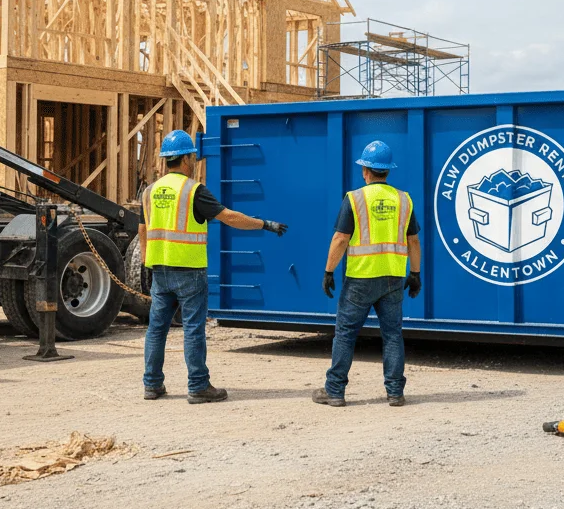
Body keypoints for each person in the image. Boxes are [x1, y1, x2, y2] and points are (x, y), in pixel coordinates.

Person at [138, 129, 288, 404]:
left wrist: (146, 263)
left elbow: (142, 229)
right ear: (185, 159)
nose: (194, 162)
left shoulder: (150, 191)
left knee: (156, 329)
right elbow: (229, 217)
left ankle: (152, 384)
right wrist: (265, 224)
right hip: (190, 272)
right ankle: (198, 386)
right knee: (193, 329)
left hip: (160, 271)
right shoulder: (193, 190)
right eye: (193, 158)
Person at [314, 140, 421, 408]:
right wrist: (415, 273)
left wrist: (329, 271)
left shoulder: (354, 198)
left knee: (345, 334)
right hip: (393, 278)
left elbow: (340, 238)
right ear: (387, 170)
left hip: (360, 279)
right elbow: (414, 241)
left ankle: (335, 391)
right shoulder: (404, 199)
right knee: (393, 335)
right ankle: (395, 392)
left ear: (365, 170)